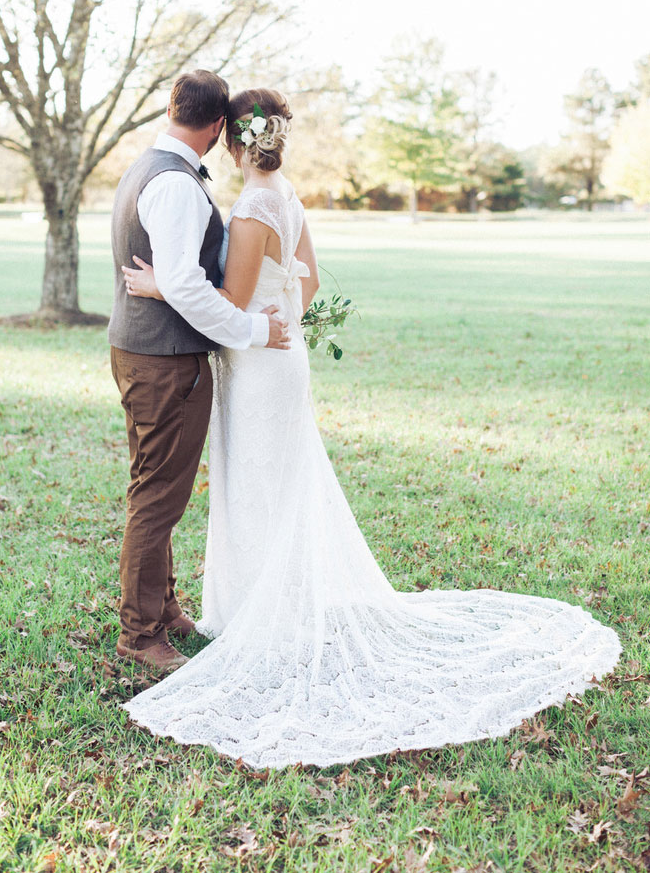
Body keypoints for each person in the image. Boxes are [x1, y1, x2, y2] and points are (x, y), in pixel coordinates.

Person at [119, 87, 622, 770]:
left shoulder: (245, 212)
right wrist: (281, 318)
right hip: (282, 356)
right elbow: (311, 282)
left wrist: (164, 287)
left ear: (233, 139)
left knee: (259, 485)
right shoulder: (285, 193)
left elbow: (229, 300)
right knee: (281, 479)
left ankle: (264, 614)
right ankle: (267, 604)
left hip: (257, 361)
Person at [108, 70, 291, 674]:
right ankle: (139, 635)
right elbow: (185, 283)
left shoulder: (146, 167)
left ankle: (162, 608)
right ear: (217, 128)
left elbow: (174, 279)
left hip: (140, 353)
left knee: (153, 486)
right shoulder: (178, 186)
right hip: (166, 364)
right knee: (159, 496)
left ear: (170, 109)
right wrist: (254, 331)